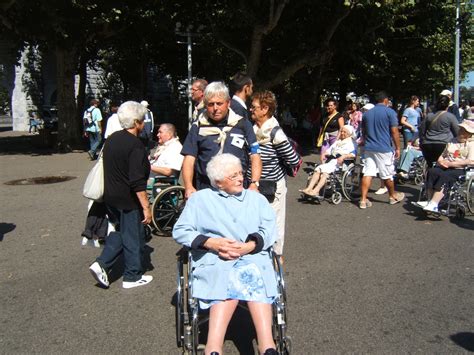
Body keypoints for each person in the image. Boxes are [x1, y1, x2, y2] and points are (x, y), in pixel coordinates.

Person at [173, 153, 279, 355]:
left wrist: (250, 245)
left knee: (251, 274)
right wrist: (211, 242)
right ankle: (214, 347)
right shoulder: (200, 200)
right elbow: (180, 231)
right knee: (227, 277)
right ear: (218, 182)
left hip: (252, 257)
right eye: (233, 176)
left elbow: (270, 228)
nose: (241, 178)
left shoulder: (256, 199)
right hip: (215, 259)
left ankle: (267, 345)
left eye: (241, 173)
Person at [89, 101, 153, 289]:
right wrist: (146, 206)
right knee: (132, 236)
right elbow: (136, 180)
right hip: (128, 199)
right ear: (136, 122)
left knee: (120, 232)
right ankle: (132, 276)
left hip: (110, 196)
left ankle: (102, 263)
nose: (144, 123)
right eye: (142, 120)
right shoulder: (135, 145)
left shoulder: (112, 139)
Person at [181, 81, 262, 198]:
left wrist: (254, 183)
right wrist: (188, 186)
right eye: (210, 104)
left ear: (228, 103)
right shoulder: (198, 126)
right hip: (206, 189)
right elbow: (189, 158)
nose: (215, 108)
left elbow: (255, 155)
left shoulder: (243, 124)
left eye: (219, 103)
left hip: (237, 190)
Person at [250, 90, 300, 257]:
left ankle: (277, 257)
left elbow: (293, 159)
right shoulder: (251, 130)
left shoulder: (275, 133)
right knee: (255, 221)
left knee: (275, 224)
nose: (251, 109)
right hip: (253, 186)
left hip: (273, 187)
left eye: (254, 107)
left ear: (265, 109)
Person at [415, 120, 474, 213]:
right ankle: (429, 200)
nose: (460, 131)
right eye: (461, 129)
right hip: (445, 165)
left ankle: (434, 203)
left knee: (444, 176)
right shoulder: (452, 141)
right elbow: (443, 154)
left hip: (461, 168)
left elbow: (471, 161)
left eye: (463, 130)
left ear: (469, 133)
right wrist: (441, 160)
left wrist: (452, 164)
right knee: (432, 171)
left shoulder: (472, 144)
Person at [359, 91, 405, 209]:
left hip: (369, 147)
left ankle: (363, 200)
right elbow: (394, 131)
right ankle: (392, 196)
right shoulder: (390, 112)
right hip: (384, 147)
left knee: (368, 173)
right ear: (386, 100)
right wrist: (398, 147)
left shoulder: (367, 114)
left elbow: (363, 131)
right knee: (387, 174)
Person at [300, 125, 356, 197]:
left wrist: (344, 156)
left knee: (325, 173)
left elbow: (353, 154)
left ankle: (316, 191)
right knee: (318, 170)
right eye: (341, 131)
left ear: (349, 134)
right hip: (332, 161)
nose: (342, 133)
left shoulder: (351, 143)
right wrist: (325, 153)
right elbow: (329, 150)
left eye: (344, 132)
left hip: (341, 164)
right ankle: (309, 189)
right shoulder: (338, 142)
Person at [419, 95, 459, 168]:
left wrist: (421, 142)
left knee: (429, 166)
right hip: (443, 144)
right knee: (442, 166)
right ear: (448, 105)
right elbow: (457, 133)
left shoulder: (429, 116)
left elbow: (422, 130)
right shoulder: (450, 117)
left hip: (427, 144)